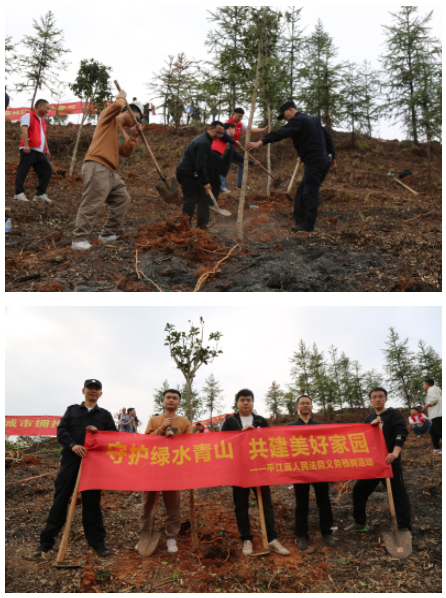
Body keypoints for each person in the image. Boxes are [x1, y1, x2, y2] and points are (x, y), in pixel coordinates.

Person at [33, 379, 117, 558]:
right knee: (61, 499)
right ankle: (46, 542)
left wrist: (98, 434)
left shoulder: (105, 415)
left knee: (92, 501)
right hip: (71, 458)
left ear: (100, 393)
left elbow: (113, 437)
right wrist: (72, 445)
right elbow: (62, 431)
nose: (93, 391)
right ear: (83, 390)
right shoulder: (72, 410)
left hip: (94, 462)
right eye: (90, 388)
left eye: (97, 389)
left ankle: (97, 542)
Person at [246, 100, 336, 233]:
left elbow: (282, 132)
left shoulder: (298, 120)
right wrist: (331, 157)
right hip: (321, 160)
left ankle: (308, 226)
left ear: (291, 110)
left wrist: (261, 142)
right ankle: (299, 221)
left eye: (284, 116)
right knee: (302, 191)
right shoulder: (311, 120)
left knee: (310, 192)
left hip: (315, 160)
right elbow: (326, 137)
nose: (285, 120)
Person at [221, 389, 290, 557]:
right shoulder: (230, 422)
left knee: (265, 503)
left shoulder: (261, 420)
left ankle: (272, 539)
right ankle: (246, 539)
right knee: (241, 505)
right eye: (242, 400)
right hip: (239, 471)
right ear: (237, 403)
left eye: (249, 400)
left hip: (260, 470)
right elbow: (222, 443)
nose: (246, 403)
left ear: (253, 403)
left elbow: (270, 442)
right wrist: (241, 435)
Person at [71, 90, 143, 250]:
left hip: (110, 171)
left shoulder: (123, 131)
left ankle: (107, 234)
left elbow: (126, 152)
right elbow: (117, 105)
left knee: (122, 198)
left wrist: (134, 135)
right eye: (135, 118)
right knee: (92, 202)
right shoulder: (108, 117)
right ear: (128, 111)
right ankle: (79, 240)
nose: (134, 122)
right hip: (96, 164)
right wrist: (122, 96)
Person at [345, 387, 411, 533]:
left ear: (386, 398)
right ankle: (360, 523)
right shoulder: (369, 418)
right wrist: (370, 426)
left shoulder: (393, 414)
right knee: (359, 490)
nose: (377, 399)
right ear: (370, 400)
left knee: (397, 494)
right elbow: (360, 435)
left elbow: (401, 432)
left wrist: (395, 452)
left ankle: (404, 527)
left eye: (380, 396)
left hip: (390, 462)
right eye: (374, 397)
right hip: (374, 464)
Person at [138, 389, 193, 554]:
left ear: (179, 402)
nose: (171, 400)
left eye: (175, 398)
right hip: (153, 468)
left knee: (173, 504)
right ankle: (144, 534)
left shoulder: (184, 423)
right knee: (147, 503)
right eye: (168, 397)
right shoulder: (154, 420)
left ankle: (171, 537)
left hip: (173, 470)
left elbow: (189, 446)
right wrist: (162, 429)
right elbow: (146, 442)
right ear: (163, 401)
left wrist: (174, 439)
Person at [287, 395, 335, 550]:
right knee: (301, 503)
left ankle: (327, 532)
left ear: (312, 407)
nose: (305, 406)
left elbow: (328, 446)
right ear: (297, 407)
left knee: (324, 501)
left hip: (319, 468)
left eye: (308, 403)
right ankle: (302, 534)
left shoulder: (320, 426)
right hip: (300, 469)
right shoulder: (290, 427)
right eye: (302, 403)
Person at [176, 121, 225, 230]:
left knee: (203, 198)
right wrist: (205, 182)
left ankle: (201, 226)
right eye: (217, 132)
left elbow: (198, 165)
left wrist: (202, 180)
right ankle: (184, 227)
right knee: (191, 200)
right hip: (186, 173)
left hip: (193, 174)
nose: (218, 135)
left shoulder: (205, 140)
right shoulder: (204, 143)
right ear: (210, 129)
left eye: (221, 134)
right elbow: (200, 165)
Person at [14, 99, 53, 203]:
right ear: (40, 106)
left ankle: (40, 194)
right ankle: (18, 193)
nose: (47, 111)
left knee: (47, 170)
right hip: (29, 148)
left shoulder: (42, 121)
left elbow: (43, 136)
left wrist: (47, 149)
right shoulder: (28, 115)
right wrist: (26, 144)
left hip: (40, 151)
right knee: (23, 170)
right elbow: (24, 129)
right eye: (47, 108)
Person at [226, 108, 269, 190]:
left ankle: (240, 185)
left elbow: (250, 129)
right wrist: (232, 141)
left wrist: (263, 129)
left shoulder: (240, 124)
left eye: (242, 117)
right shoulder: (226, 123)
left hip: (232, 149)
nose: (240, 118)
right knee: (223, 166)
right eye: (239, 116)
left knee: (242, 164)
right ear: (234, 114)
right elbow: (222, 135)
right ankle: (220, 186)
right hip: (224, 149)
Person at [211, 122, 259, 194]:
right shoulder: (222, 134)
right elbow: (223, 133)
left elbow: (237, 156)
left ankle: (238, 185)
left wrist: (252, 162)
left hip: (219, 166)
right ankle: (220, 187)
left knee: (241, 164)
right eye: (234, 130)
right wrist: (234, 141)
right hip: (212, 160)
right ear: (230, 128)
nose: (235, 132)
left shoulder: (229, 143)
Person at [422, 378, 442, 455]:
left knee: (440, 431)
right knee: (433, 432)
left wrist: (425, 407)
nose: (424, 386)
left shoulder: (430, 390)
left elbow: (434, 400)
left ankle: (437, 449)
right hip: (437, 414)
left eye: (424, 385)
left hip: (437, 415)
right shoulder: (437, 390)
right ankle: (437, 449)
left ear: (426, 384)